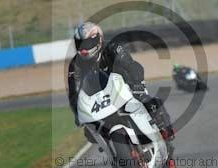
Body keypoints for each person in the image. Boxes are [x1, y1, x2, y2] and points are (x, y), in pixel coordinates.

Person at [67, 21, 175, 151]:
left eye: (87, 43)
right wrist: (77, 113)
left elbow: (133, 66)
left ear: (98, 39)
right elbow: (74, 92)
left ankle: (165, 131)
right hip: (101, 100)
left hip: (127, 88)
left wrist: (138, 86)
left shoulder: (113, 47)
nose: (84, 48)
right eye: (80, 44)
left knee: (147, 101)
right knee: (90, 132)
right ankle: (115, 151)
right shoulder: (75, 65)